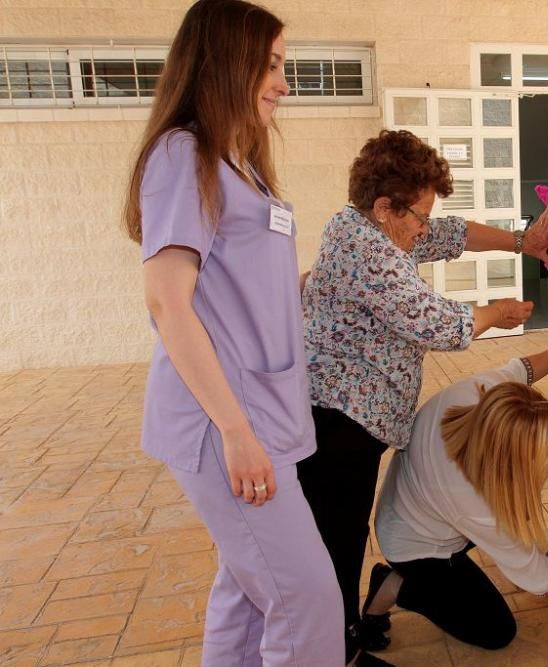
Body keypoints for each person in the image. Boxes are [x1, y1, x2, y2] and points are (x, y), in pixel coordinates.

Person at [122, 1, 343, 665]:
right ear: (226, 64)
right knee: (306, 602)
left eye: (282, 65)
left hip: (260, 413)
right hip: (228, 423)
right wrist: (236, 431)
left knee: (246, 594)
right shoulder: (182, 152)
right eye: (270, 65)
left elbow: (237, 285)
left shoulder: (239, 163)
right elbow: (167, 301)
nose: (282, 82)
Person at [298, 129, 548, 665]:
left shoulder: (369, 225)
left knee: (338, 540)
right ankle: (338, 650)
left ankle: (344, 630)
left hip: (353, 422)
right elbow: (436, 324)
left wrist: (520, 242)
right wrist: (495, 314)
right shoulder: (370, 251)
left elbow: (451, 235)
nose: (423, 229)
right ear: (386, 207)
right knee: (335, 548)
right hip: (337, 427)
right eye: (417, 216)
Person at [366, 352, 548, 652]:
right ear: (509, 456)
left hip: (415, 507)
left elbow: (522, 369)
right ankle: (393, 585)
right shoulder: (469, 496)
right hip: (416, 547)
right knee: (495, 631)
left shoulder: (482, 395)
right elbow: (522, 560)